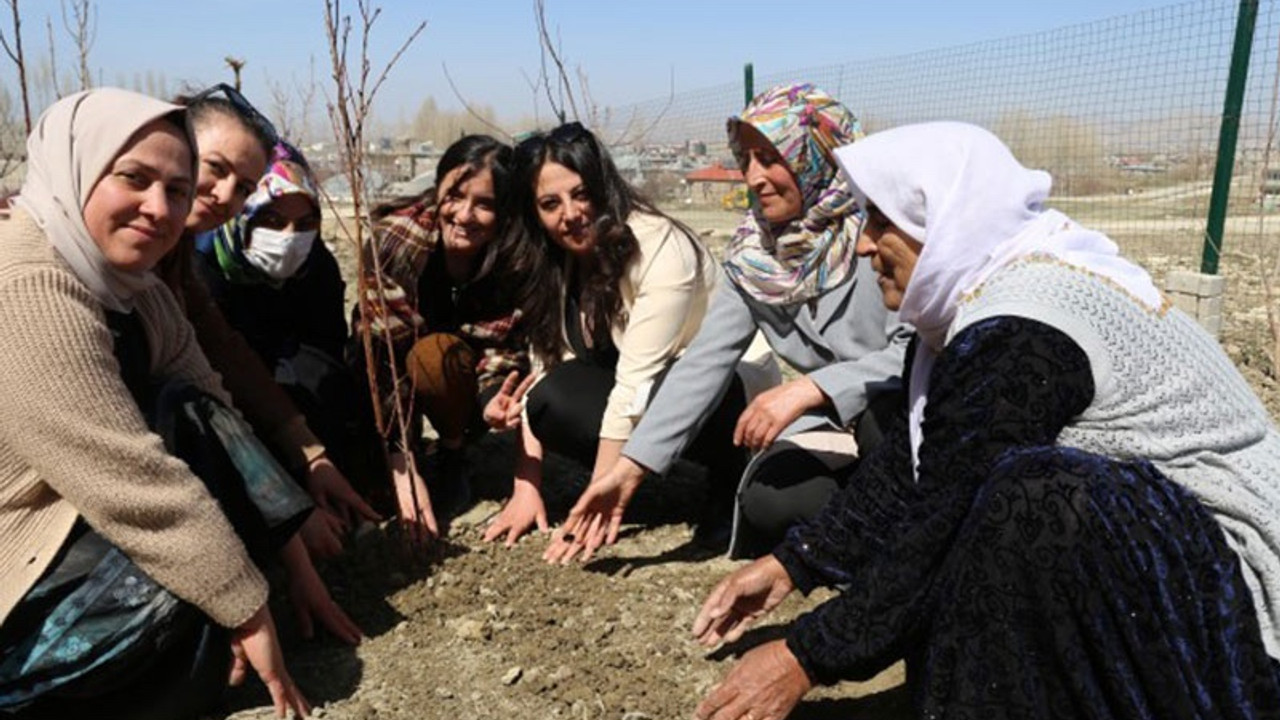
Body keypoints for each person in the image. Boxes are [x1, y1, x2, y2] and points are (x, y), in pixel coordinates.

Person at [691, 122, 1280, 719]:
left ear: (943, 220)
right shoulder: (978, 302)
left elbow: (944, 514)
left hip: (1232, 582)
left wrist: (803, 656)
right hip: (1163, 554)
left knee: (1031, 499)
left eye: (881, 222)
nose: (865, 245)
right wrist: (796, 562)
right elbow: (913, 467)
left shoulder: (1023, 324)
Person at [0, 88, 309, 719]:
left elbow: (217, 411)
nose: (159, 208)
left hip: (74, 514)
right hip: (17, 537)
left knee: (198, 606)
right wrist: (248, 606)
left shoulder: (136, 287)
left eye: (176, 188)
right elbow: (130, 479)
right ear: (78, 166)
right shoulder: (29, 287)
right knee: (178, 601)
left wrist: (292, 554)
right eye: (134, 179)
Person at [545, 84, 909, 563]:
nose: (754, 177)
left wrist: (812, 388)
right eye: (747, 159)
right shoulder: (754, 256)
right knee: (771, 503)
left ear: (818, 157)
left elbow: (920, 349)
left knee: (889, 430)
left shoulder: (884, 230)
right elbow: (704, 362)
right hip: (837, 425)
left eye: (771, 158)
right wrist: (633, 467)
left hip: (908, 407)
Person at [163, 85, 366, 645]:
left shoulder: (174, 254)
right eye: (215, 170)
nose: (224, 193)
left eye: (244, 185)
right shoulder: (186, 254)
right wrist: (286, 523)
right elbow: (200, 401)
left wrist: (312, 456)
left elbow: (223, 363)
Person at [482, 121, 742, 549]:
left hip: (724, 395)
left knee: (653, 390)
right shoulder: (558, 263)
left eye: (581, 193)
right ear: (535, 214)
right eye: (550, 203)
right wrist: (525, 487)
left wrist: (594, 504)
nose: (570, 213)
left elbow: (633, 387)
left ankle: (728, 477)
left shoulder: (659, 246)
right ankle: (640, 475)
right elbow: (543, 372)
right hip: (652, 396)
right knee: (552, 398)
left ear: (604, 186)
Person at [352, 135, 532, 540]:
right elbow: (383, 356)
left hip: (455, 374)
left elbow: (500, 348)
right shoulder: (394, 243)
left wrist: (491, 402)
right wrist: (404, 464)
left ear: (504, 212)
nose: (464, 215)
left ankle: (453, 452)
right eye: (454, 196)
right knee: (426, 355)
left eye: (484, 204)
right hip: (389, 374)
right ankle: (403, 457)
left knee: (440, 355)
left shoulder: (513, 258)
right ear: (437, 191)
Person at [194, 140, 369, 515]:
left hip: (296, 392)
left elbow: (327, 346)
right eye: (272, 220)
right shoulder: (201, 269)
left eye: (305, 224)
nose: (289, 237)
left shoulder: (316, 265)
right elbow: (221, 362)